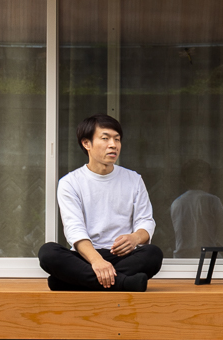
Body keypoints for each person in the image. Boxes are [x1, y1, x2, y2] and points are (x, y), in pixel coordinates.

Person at [38, 114, 164, 291]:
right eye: (105, 138)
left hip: (121, 256)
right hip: (86, 257)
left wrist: (134, 238)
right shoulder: (70, 182)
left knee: (153, 254)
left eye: (117, 139)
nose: (113, 145)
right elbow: (74, 229)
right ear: (86, 143)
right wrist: (97, 261)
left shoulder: (134, 179)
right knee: (48, 253)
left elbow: (146, 221)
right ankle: (123, 283)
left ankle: (70, 282)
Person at [170, 161, 223, 258]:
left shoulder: (176, 203)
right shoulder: (212, 201)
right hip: (207, 258)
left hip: (181, 260)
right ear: (205, 179)